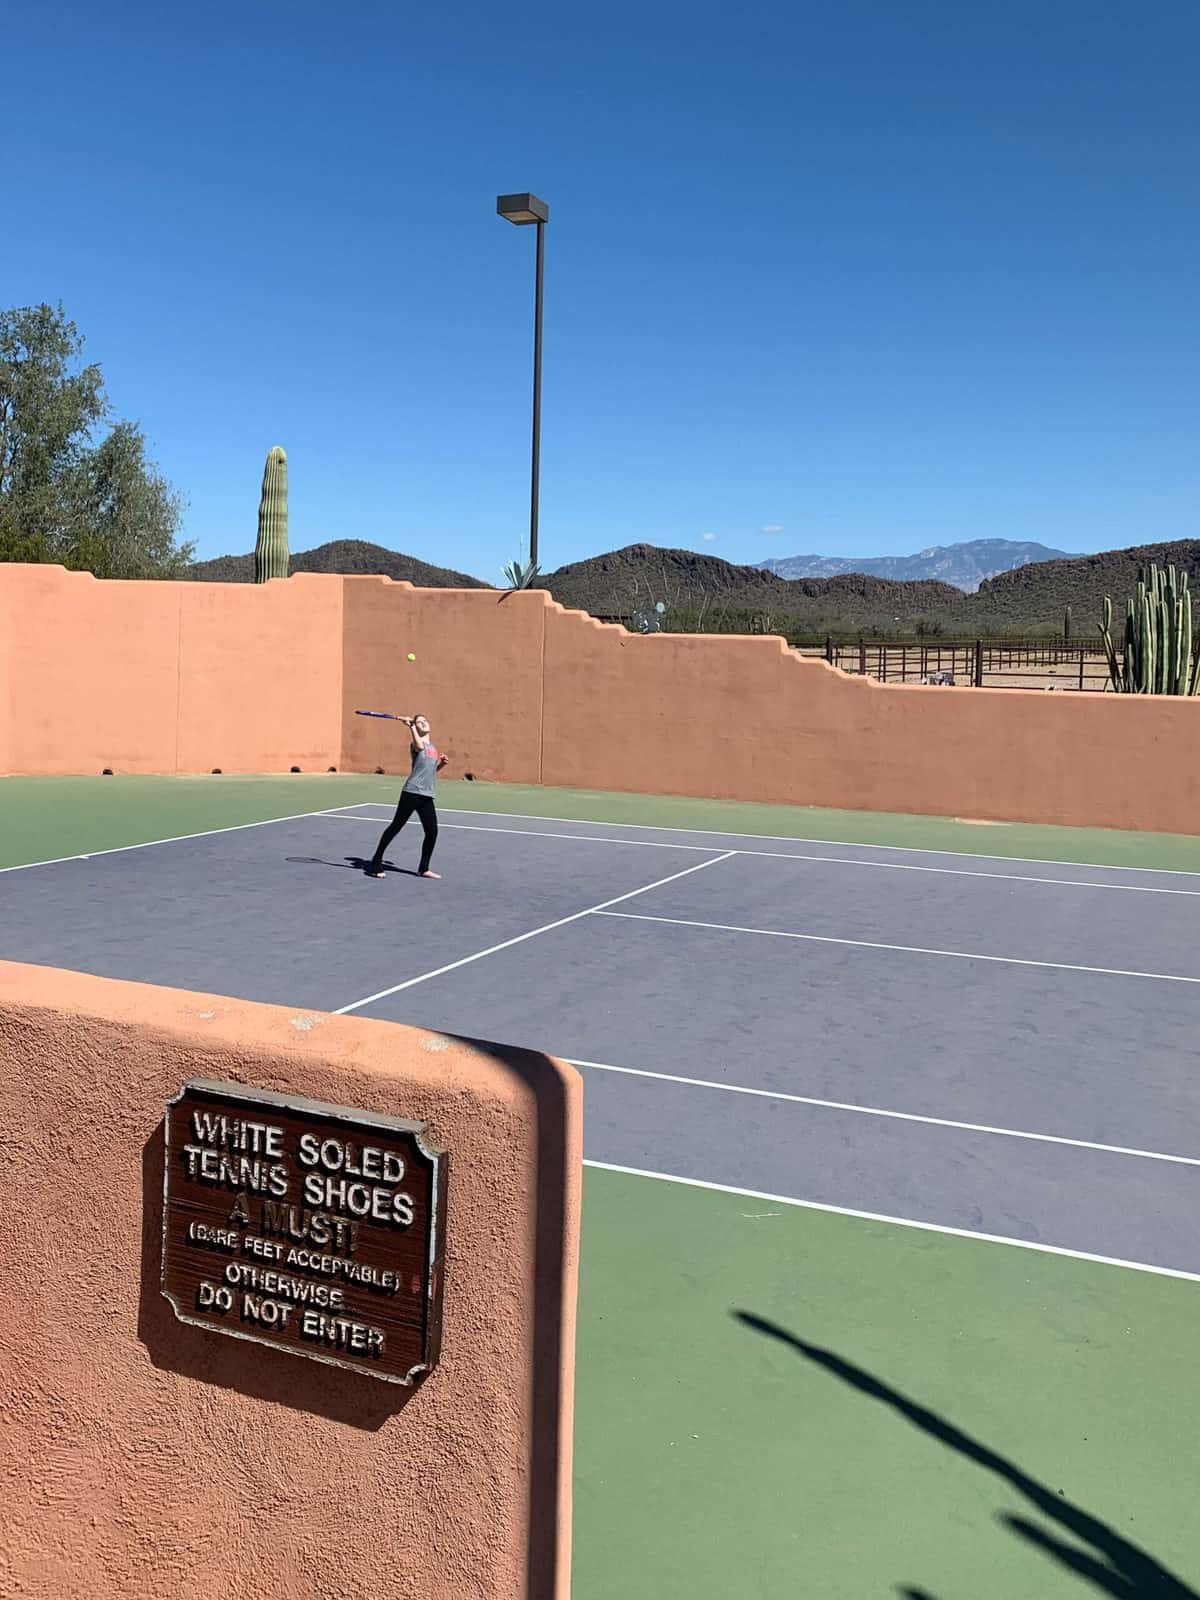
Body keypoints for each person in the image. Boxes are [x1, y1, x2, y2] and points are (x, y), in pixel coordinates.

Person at [366, 714, 447, 880]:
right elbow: (418, 744)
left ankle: (423, 869)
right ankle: (376, 862)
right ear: (415, 727)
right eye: (420, 722)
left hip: (426, 795)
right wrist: (410, 726)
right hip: (411, 792)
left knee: (432, 831)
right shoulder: (416, 744)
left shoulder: (433, 748)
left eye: (425, 720)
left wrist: (441, 765)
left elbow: (429, 772)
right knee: (396, 826)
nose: (424, 723)